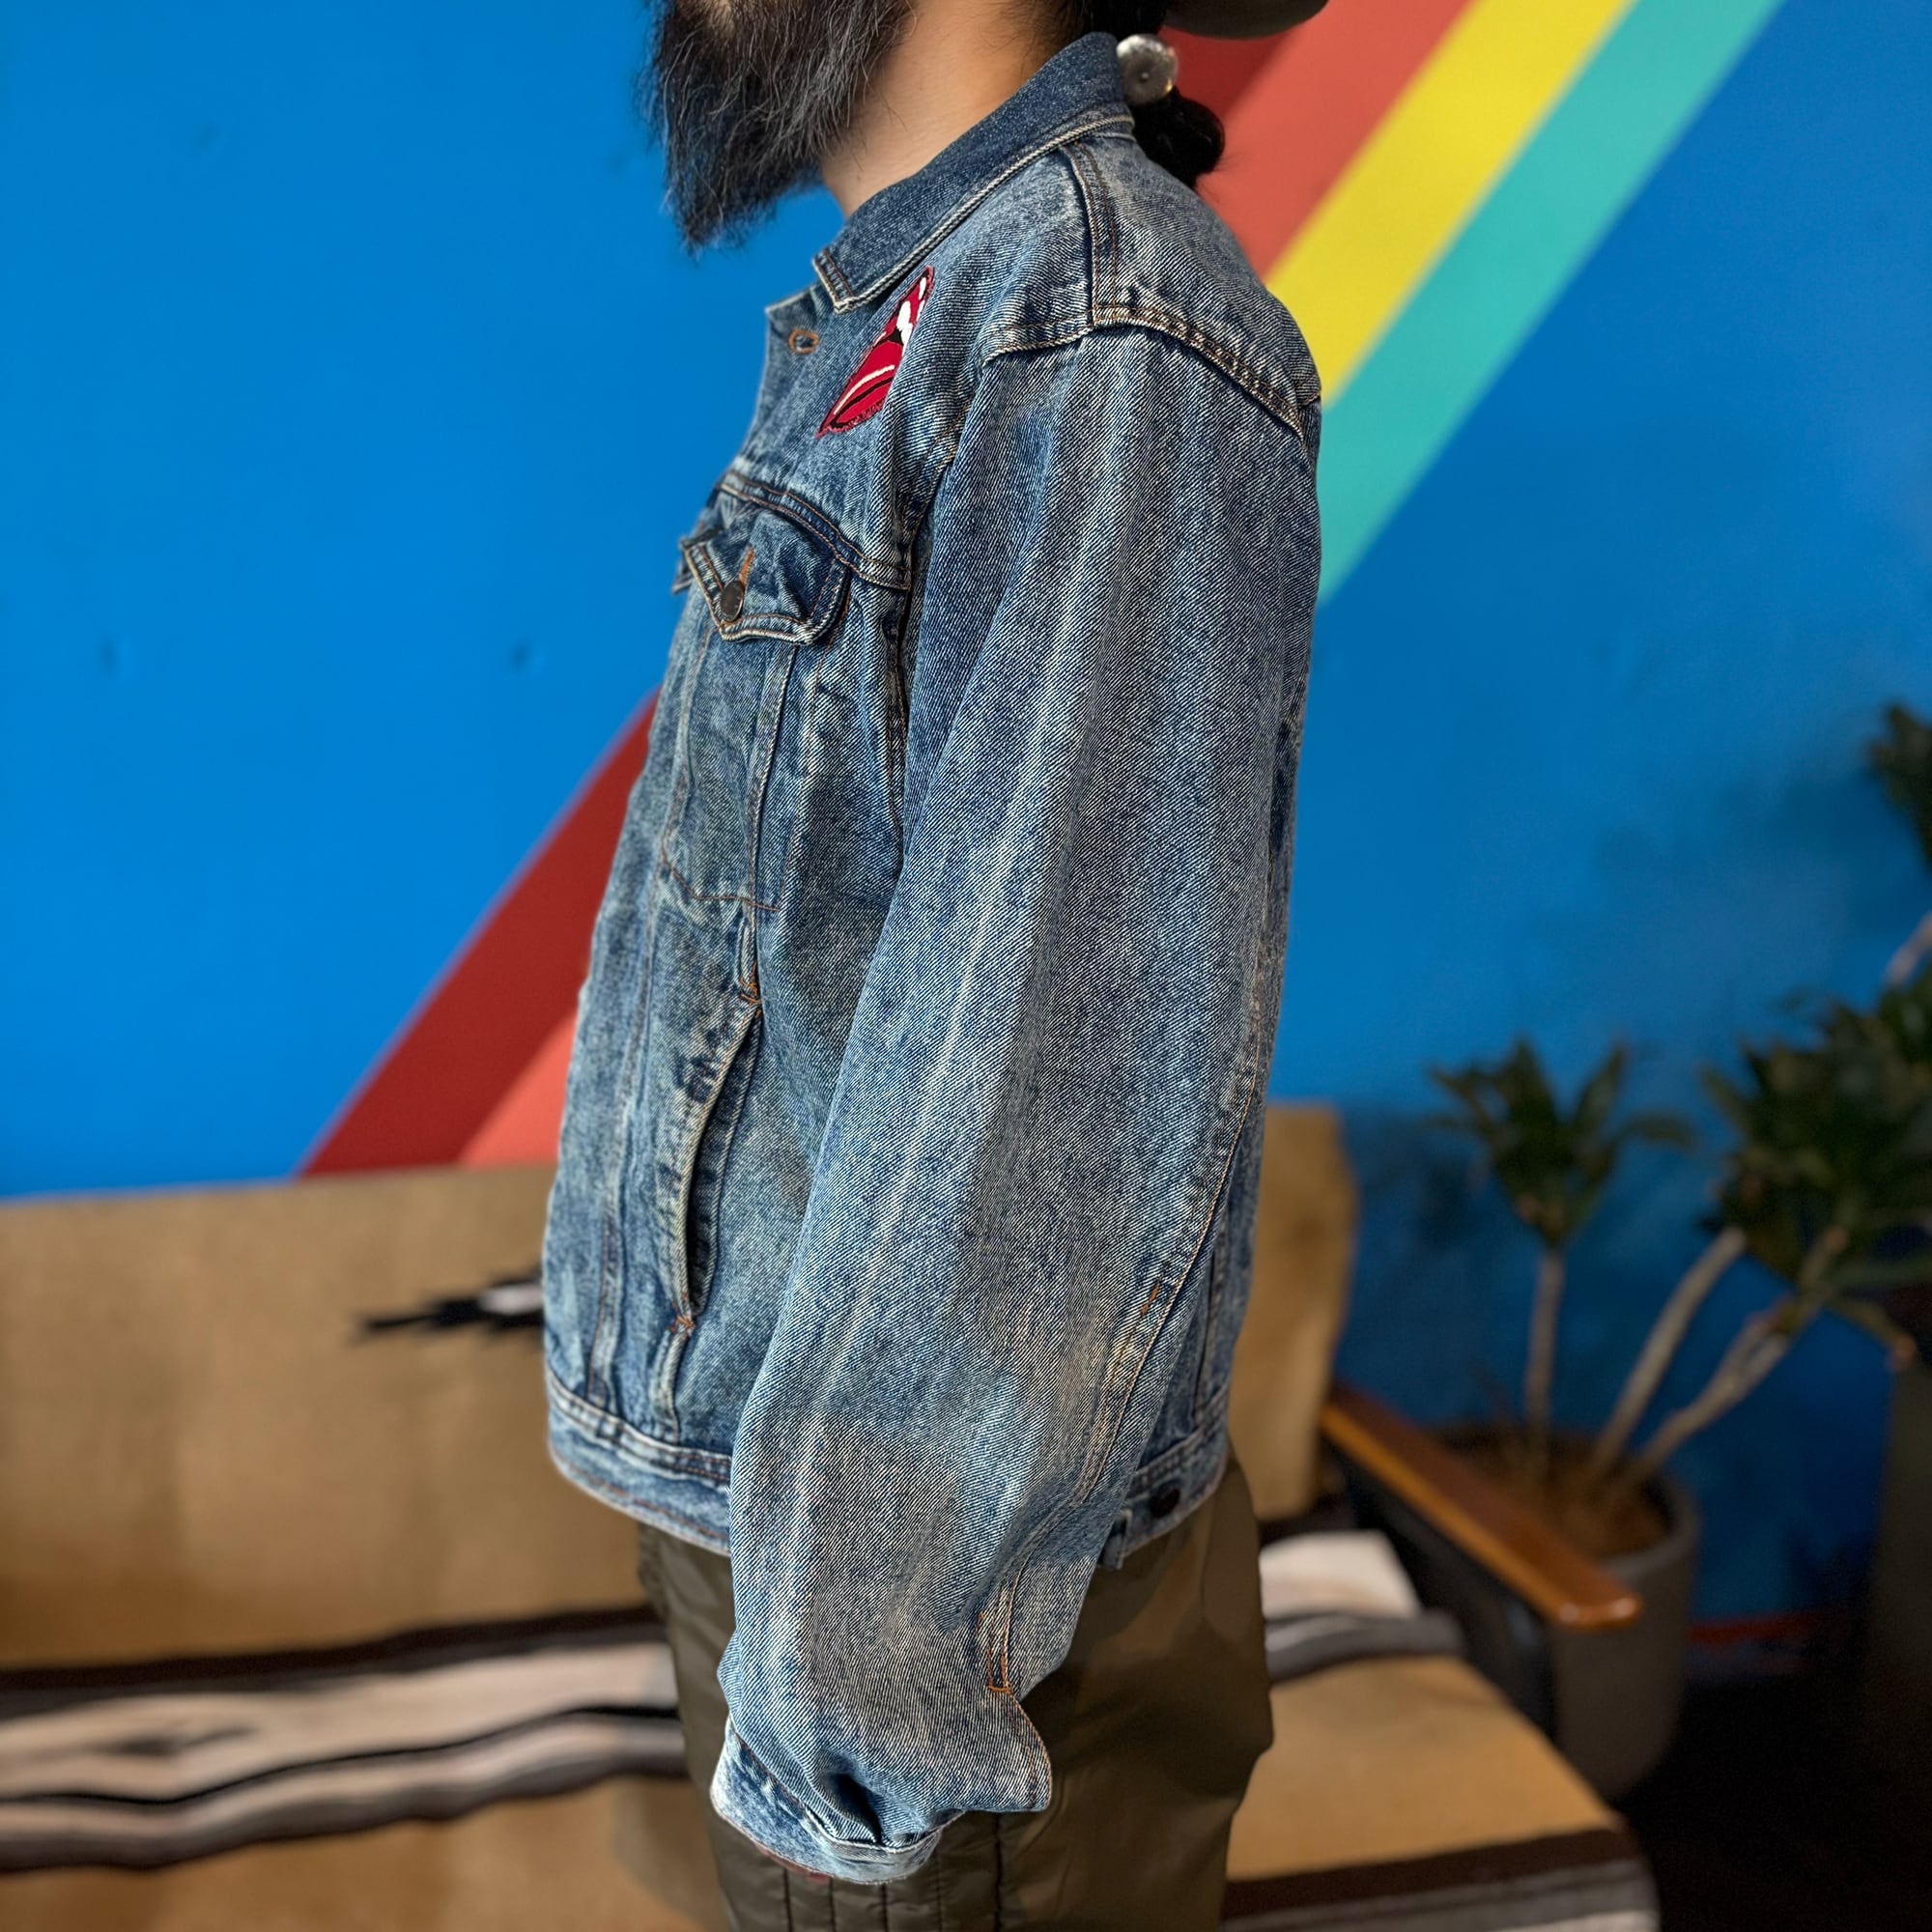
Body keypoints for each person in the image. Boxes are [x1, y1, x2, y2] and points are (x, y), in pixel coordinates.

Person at [541, 1, 1326, 1922]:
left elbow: (1038, 1103)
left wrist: (852, 1715)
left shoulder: (1095, 326)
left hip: (915, 1632)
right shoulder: (939, 305)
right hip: (823, 1557)